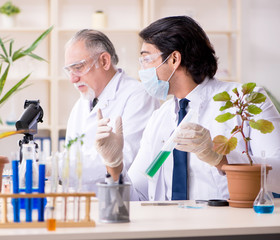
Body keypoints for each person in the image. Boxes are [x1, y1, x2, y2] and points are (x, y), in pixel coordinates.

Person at [95, 16, 280, 201]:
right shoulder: (159, 118)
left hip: (228, 227)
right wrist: (114, 164)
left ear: (174, 59)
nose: (142, 70)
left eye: (147, 59)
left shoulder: (246, 99)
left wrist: (222, 160)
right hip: (170, 228)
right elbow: (137, 197)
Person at [63, 29, 160, 193]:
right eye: (69, 71)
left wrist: (58, 168)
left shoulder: (138, 96)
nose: (73, 79)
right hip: (85, 207)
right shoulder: (80, 104)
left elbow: (124, 161)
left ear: (104, 61)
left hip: (125, 204)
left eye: (78, 68)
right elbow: (72, 159)